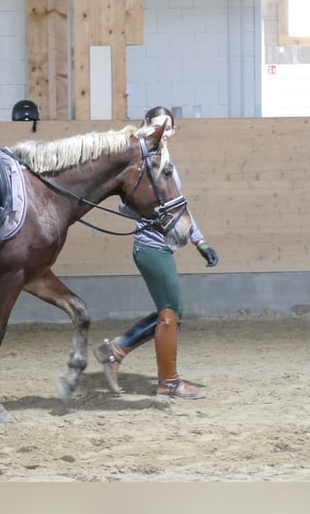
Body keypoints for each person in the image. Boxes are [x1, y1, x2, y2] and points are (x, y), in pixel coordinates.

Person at [93, 106, 219, 399]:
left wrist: (201, 243)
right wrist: (145, 209)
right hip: (151, 247)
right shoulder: (142, 161)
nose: (165, 132)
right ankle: (168, 382)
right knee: (171, 314)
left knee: (171, 313)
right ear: (146, 126)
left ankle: (115, 351)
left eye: (169, 127)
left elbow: (180, 208)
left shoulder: (164, 160)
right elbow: (126, 204)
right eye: (158, 126)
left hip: (162, 247)